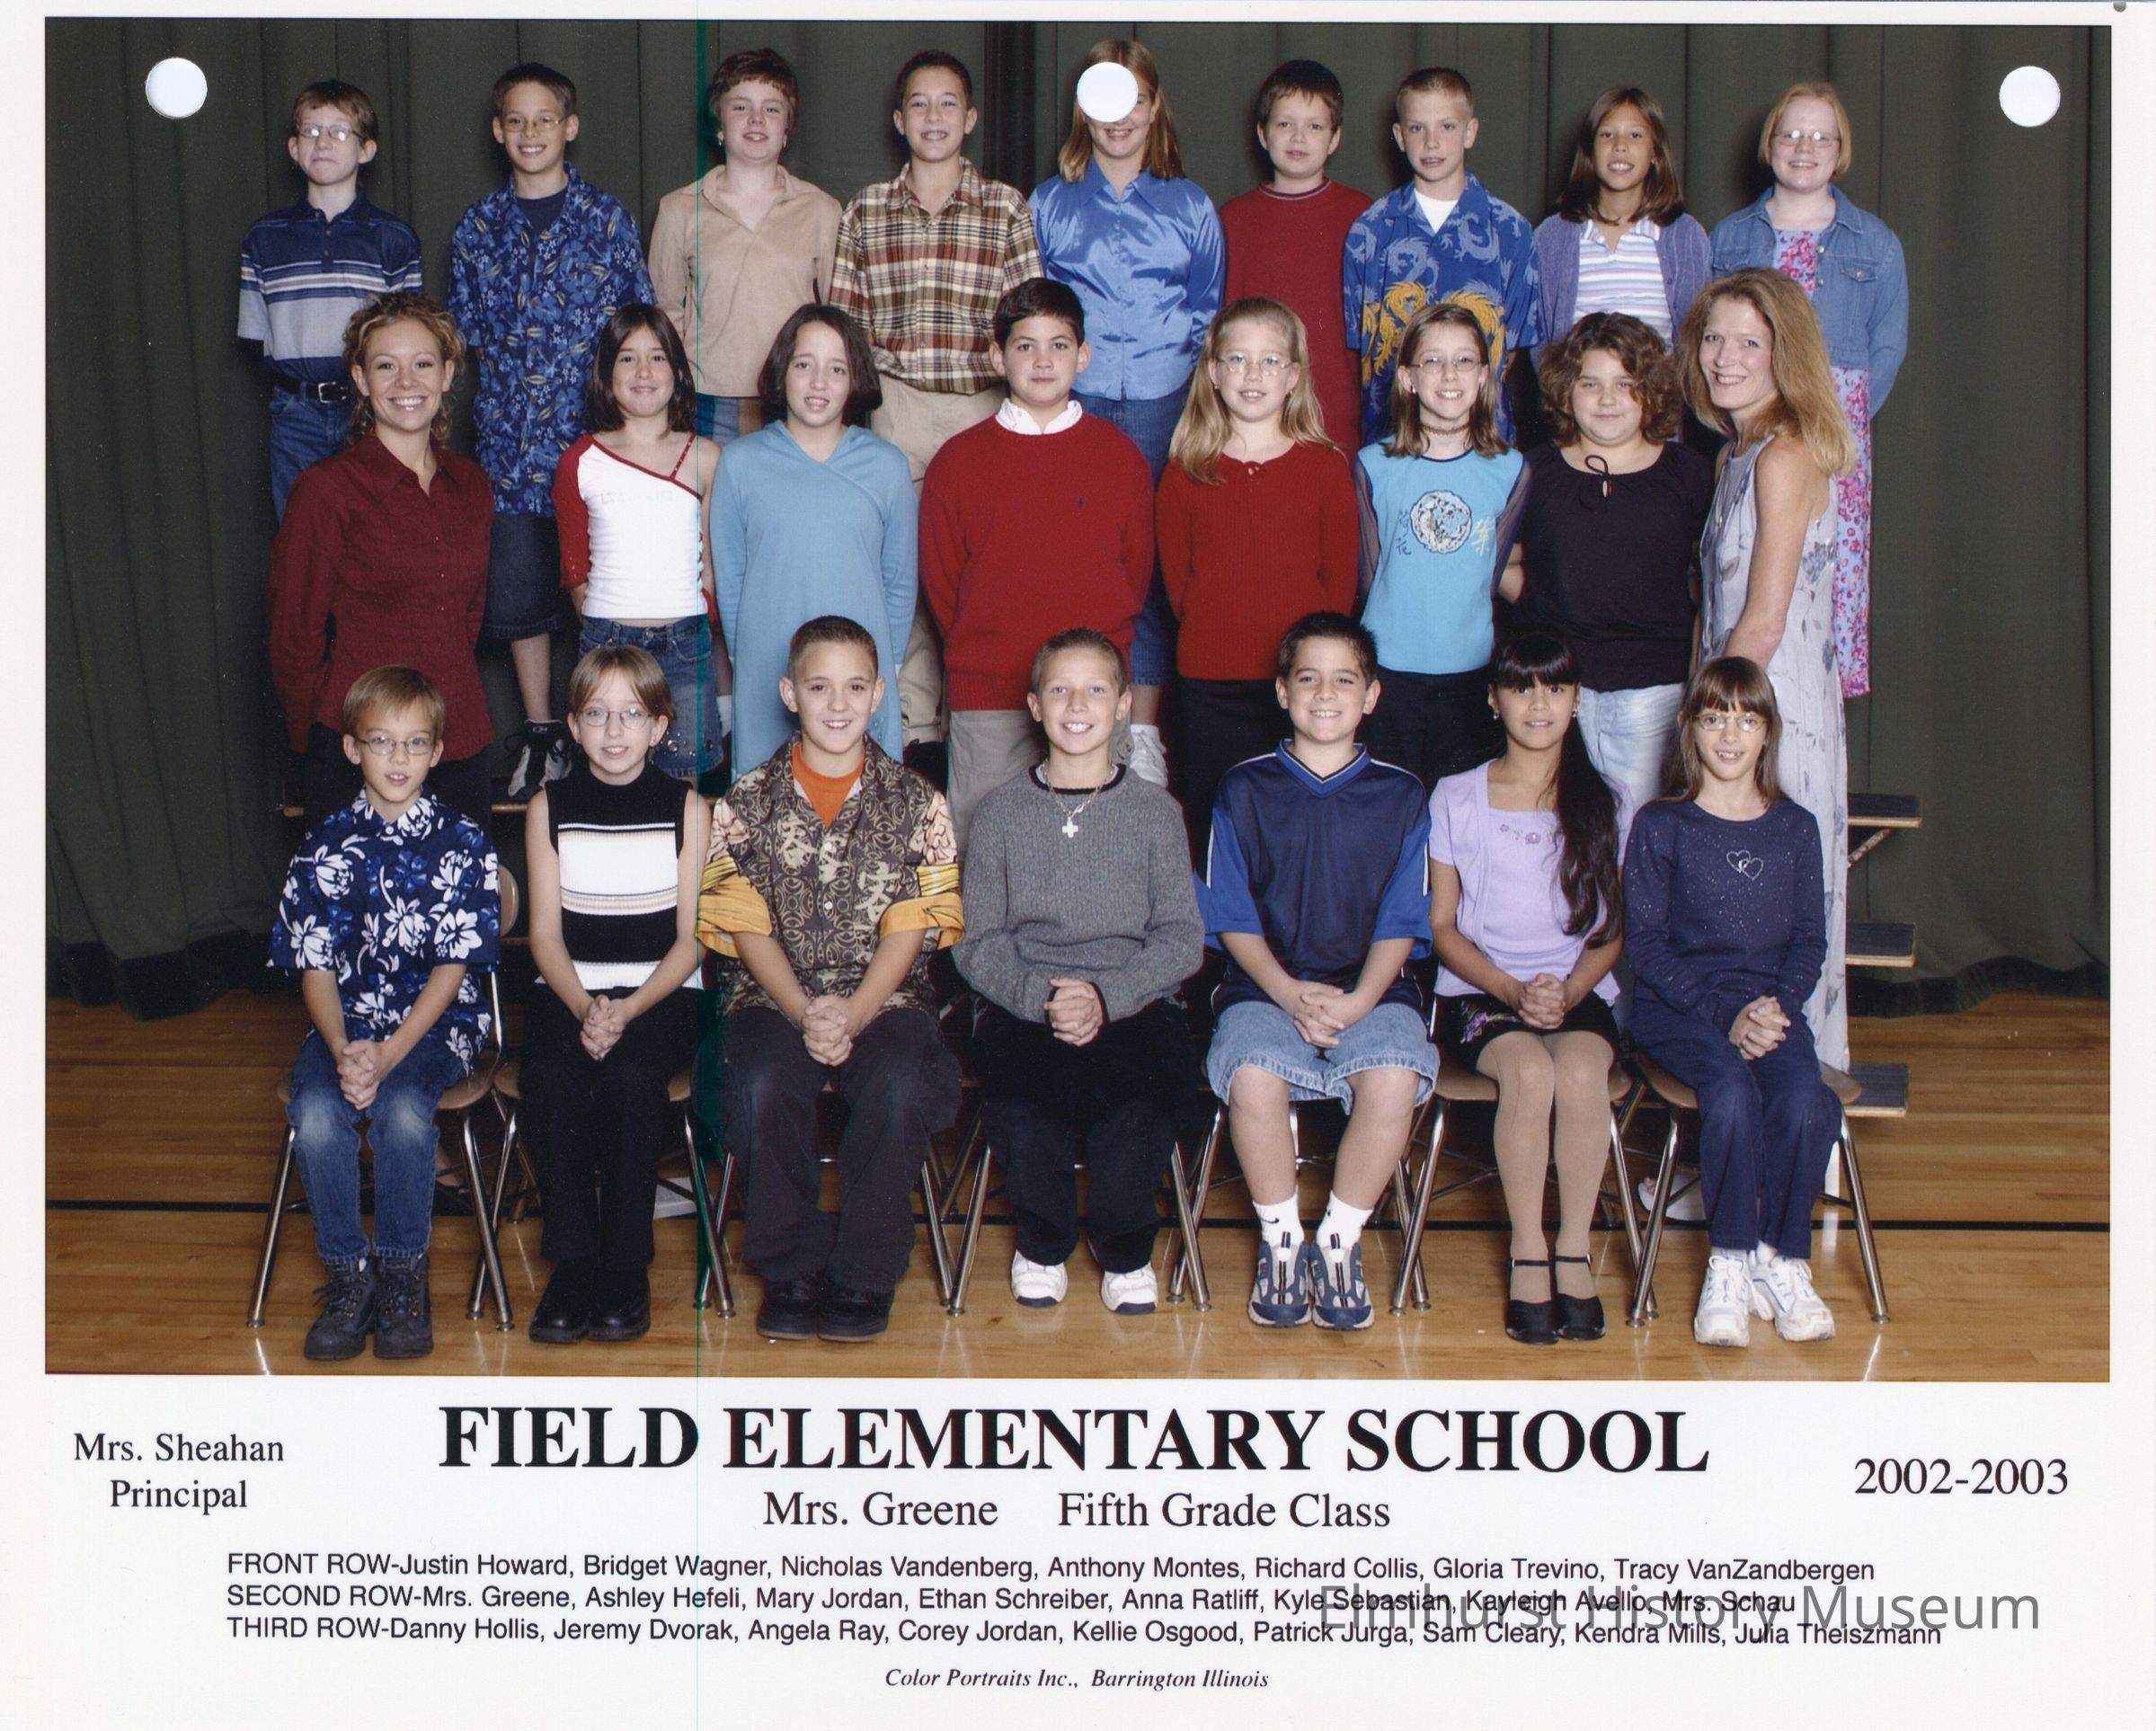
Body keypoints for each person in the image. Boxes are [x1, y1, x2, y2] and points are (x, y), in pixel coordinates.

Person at [697, 617, 964, 1344]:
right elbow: (744, 925)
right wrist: (803, 1009)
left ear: (878, 694)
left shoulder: (917, 801)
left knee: (899, 1082)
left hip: (886, 997)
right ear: (790, 694)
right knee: (758, 1081)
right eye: (819, 688)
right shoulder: (744, 802)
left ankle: (864, 1273)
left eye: (854, 688)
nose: (837, 705)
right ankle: (790, 1267)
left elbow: (912, 925)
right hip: (771, 995)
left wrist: (852, 1011)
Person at [1199, 613, 1437, 1332]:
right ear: (1282, 692)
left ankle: (1336, 1241)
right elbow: (1229, 912)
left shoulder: (1402, 795)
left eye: (1343, 680)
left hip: (1373, 988)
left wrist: (1359, 1000)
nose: (1325, 695)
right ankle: (1281, 1241)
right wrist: (1285, 991)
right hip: (1263, 986)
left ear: (1371, 696)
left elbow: (1402, 919)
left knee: (1392, 1076)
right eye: (1307, 678)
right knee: (1252, 1075)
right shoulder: (1242, 788)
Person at [957, 630, 1203, 1313]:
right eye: (1060, 690)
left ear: (1122, 705)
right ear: (1035, 705)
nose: (1076, 705)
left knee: (1137, 1109)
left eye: (1095, 690)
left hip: (1133, 999)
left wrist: (1104, 995)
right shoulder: (1001, 813)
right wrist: (1043, 997)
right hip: (1027, 1000)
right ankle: (1042, 1245)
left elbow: (1182, 938)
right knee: (1025, 1106)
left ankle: (1125, 1251)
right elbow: (977, 940)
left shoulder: (1157, 814)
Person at [269, 667, 501, 1362]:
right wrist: (345, 1049)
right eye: (381, 741)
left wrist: (390, 1054)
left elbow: (453, 969)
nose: (398, 758)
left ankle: (402, 1272)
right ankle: (350, 1277)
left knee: (401, 1111)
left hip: (436, 1024)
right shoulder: (323, 846)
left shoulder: (464, 842)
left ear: (437, 752)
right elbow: (315, 967)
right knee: (316, 1113)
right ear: (352, 749)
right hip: (346, 1025)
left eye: (414, 742)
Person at [830, 49, 1043, 767]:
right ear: (898, 120)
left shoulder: (1005, 208)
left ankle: (981, 715)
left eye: (947, 103)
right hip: (896, 405)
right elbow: (846, 325)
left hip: (981, 403)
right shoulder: (866, 209)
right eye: (918, 104)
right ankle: (916, 727)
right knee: (907, 567)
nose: (933, 117)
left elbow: (1025, 318)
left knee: (981, 567)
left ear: (970, 118)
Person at [448, 62, 654, 801]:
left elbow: (636, 329)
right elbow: (470, 340)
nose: (530, 132)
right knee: (520, 599)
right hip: (510, 448)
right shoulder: (477, 227)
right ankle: (541, 735)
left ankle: (615, 734)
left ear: (569, 127)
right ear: (497, 131)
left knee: (603, 593)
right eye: (516, 121)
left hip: (597, 445)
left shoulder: (607, 220)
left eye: (545, 119)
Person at [1624, 659, 1843, 1347]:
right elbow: (1645, 945)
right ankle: (1727, 1260)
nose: (1729, 736)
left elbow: (1808, 939)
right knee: (1728, 1090)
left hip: (1767, 1007)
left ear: (1767, 732)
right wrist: (1725, 1018)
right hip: (1680, 1008)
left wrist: (1774, 1008)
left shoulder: (1795, 827)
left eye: (1746, 721)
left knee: (1807, 1099)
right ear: (1689, 728)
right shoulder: (1662, 824)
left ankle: (1778, 1261)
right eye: (1714, 719)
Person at [1029, 38, 1226, 787]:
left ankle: (1139, 731)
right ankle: (1067, 720)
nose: (1119, 119)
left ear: (1152, 107)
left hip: (1160, 403)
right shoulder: (1049, 203)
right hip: (1073, 403)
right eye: (1103, 102)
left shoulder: (1190, 206)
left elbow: (1206, 312)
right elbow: (1035, 310)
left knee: (1145, 566)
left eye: (1133, 101)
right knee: (1071, 556)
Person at [1428, 632, 1629, 1345]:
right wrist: (1513, 992)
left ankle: (1572, 1249)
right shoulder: (1456, 795)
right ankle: (1528, 1251)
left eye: (1555, 688)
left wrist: (1569, 990)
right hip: (1481, 991)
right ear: (1494, 700)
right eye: (1520, 687)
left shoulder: (1606, 799)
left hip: (1574, 992)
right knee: (1529, 1071)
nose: (1538, 704)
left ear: (1575, 701)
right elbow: (1442, 927)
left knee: (1576, 1070)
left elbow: (1611, 931)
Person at [1678, 269, 1855, 1069]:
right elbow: (1711, 610)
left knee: (1774, 911)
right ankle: (1732, 1106)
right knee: (1725, 912)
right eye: (1713, 338)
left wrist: (1706, 726)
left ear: (1785, 353)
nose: (1724, 357)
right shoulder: (1734, 453)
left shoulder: (1784, 455)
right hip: (1730, 700)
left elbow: (1763, 620)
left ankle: (1791, 1103)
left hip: (1770, 711)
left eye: (1748, 342)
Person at [919, 279, 1154, 847]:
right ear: (997, 357)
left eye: (1059, 345)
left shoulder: (1120, 458)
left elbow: (1135, 574)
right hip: (990, 700)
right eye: (1025, 346)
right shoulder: (957, 462)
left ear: (1083, 356)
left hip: (1091, 699)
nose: (1043, 361)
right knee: (986, 851)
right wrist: (986, 658)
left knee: (1098, 852)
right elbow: (944, 588)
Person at [520, 646, 706, 1347]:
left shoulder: (688, 808)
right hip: (570, 988)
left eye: (631, 714)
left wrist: (626, 1010)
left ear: (659, 727)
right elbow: (544, 935)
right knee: (550, 1076)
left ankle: (625, 1267)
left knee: (630, 1081)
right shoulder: (549, 807)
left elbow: (691, 942)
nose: (614, 730)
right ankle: (573, 1264)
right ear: (572, 726)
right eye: (596, 714)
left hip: (658, 994)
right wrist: (583, 1007)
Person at [1708, 82, 1907, 700]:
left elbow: (1886, 350)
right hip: (1750, 426)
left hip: (1832, 432)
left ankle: (1814, 704)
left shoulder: (1874, 242)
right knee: (1748, 564)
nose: (1804, 147)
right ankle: (1735, 693)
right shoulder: (1730, 238)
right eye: (1791, 133)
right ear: (1769, 144)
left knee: (1823, 575)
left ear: (1840, 150)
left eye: (1822, 137)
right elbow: (1709, 341)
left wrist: (1830, 425)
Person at [268, 293, 494, 831]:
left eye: (423, 364)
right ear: (361, 379)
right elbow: (293, 636)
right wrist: (321, 746)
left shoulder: (472, 486)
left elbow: (466, 618)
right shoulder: (326, 491)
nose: (406, 381)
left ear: (447, 374)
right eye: (386, 366)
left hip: (458, 742)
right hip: (357, 754)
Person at [1158, 298, 1357, 857]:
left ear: (1293, 377)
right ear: (1214, 373)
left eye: (1270, 361)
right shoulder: (1185, 471)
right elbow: (1179, 587)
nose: (1253, 374)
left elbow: (1339, 585)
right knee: (1214, 817)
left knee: (1294, 822)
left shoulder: (1325, 467)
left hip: (1299, 684)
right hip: (1211, 679)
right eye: (1238, 359)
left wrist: (1312, 666)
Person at [1504, 313, 1713, 812]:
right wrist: (1540, 594)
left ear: (1650, 392)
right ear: (1565, 390)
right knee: (1551, 836)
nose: (1607, 399)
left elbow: (1709, 579)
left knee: (1636, 836)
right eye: (1590, 384)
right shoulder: (1534, 471)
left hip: (1652, 694)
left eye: (1625, 384)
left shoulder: (1687, 474)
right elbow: (1496, 562)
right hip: (1553, 691)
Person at [711, 305, 915, 776]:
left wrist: (883, 669)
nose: (819, 383)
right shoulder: (740, 463)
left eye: (837, 369)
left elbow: (900, 582)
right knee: (768, 804)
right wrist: (752, 666)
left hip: (856, 676)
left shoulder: (886, 466)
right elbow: (732, 580)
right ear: (783, 370)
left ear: (855, 377)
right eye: (804, 365)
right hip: (768, 667)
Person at [1354, 299, 1527, 795]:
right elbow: (1369, 578)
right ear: (1408, 378)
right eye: (1432, 361)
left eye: (1464, 360)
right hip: (1389, 674)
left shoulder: (1510, 469)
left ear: (1484, 376)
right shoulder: (1372, 465)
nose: (1449, 375)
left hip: (1470, 675)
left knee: (1458, 812)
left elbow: (1489, 572)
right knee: (1391, 805)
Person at [552, 305, 725, 785]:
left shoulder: (706, 457)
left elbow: (712, 566)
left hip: (685, 642)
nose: (643, 371)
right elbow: (575, 572)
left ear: (678, 371)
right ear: (607, 373)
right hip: (607, 639)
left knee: (683, 784)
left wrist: (691, 619)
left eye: (657, 357)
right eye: (628, 358)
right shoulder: (580, 460)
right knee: (608, 780)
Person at [238, 80, 422, 520]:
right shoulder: (264, 238)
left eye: (339, 132)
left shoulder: (393, 238)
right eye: (311, 131)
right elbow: (256, 339)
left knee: (378, 531)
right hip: (296, 413)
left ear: (366, 150)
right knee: (303, 534)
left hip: (371, 412)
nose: (322, 142)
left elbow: (410, 340)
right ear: (294, 148)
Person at [649, 48, 841, 448]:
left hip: (794, 397)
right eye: (741, 107)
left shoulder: (823, 210)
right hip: (707, 401)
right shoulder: (678, 208)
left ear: (787, 128)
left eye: (772, 109)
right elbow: (666, 313)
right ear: (720, 123)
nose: (756, 119)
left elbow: (837, 317)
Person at [1343, 66, 1541, 447]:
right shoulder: (1369, 231)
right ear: (1400, 136)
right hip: (1393, 442)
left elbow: (1511, 349)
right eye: (1417, 128)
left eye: (1447, 127)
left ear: (1470, 132)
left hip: (1481, 443)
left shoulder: (1511, 231)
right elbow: (1361, 344)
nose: (1431, 142)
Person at [1217, 59, 1369, 445]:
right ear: (1263, 134)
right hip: (1253, 410)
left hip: (1338, 410)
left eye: (1314, 127)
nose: (1298, 137)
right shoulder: (1232, 219)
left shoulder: (1363, 216)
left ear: (1334, 138)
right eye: (1285, 124)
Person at [1530, 86, 1709, 359]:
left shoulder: (1685, 236)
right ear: (1590, 151)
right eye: (1607, 135)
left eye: (1635, 135)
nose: (1620, 145)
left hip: (1660, 386)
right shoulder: (1552, 236)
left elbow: (1696, 339)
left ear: (1655, 153)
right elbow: (1541, 342)